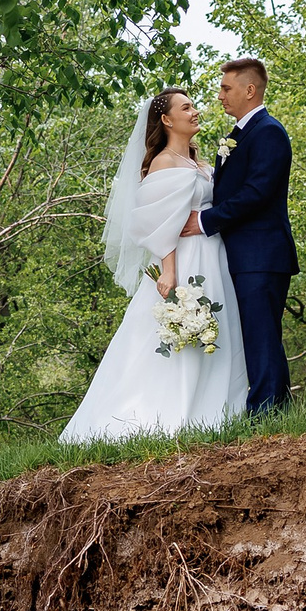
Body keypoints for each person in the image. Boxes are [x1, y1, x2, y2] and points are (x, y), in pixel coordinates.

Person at [57, 89, 249, 444]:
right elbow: (161, 222)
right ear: (166, 119)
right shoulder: (163, 162)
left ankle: (216, 412)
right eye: (186, 107)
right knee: (178, 335)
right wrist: (170, 271)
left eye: (193, 106)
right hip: (185, 259)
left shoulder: (201, 163)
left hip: (214, 257)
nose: (195, 112)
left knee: (215, 333)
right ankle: (169, 412)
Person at [182, 57, 298, 412]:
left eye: (225, 88)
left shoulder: (268, 132)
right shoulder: (239, 135)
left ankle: (264, 414)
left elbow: (257, 192)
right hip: (244, 253)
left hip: (262, 253)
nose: (219, 96)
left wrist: (204, 221)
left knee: (261, 335)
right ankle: (275, 411)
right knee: (259, 336)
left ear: (250, 90)